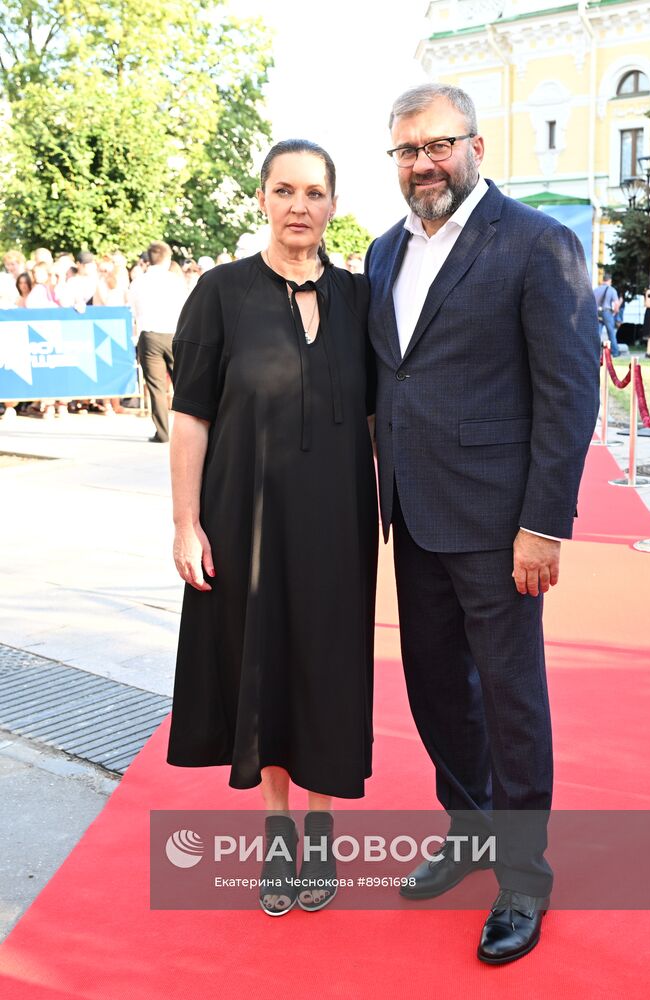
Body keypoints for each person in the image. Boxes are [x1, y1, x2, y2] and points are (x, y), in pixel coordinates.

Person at [367, 83, 599, 965]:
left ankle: (524, 877)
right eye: (407, 149)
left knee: (510, 700)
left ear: (475, 146)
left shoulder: (537, 242)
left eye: (438, 144)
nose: (423, 162)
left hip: (501, 524)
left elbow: (569, 391)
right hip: (412, 513)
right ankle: (466, 832)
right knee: (435, 690)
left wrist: (543, 522)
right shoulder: (384, 250)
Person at [165, 139, 378, 917]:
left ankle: (321, 828)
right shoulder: (219, 293)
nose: (299, 207)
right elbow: (190, 417)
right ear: (261, 199)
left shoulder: (360, 297)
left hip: (339, 524)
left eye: (314, 193)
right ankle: (278, 831)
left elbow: (380, 415)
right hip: (246, 520)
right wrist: (185, 524)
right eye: (284, 191)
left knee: (328, 668)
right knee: (266, 664)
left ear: (332, 206)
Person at [128, 241, 187, 442]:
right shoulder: (176, 281)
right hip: (175, 334)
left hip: (150, 335)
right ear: (168, 258)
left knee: (156, 387)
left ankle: (162, 432)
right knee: (183, 384)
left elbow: (133, 311)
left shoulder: (138, 282)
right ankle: (191, 429)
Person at [594, 272, 621, 357]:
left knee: (597, 333)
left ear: (603, 280)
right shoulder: (612, 290)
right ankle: (615, 352)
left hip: (597, 312)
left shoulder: (596, 290)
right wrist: (615, 312)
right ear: (610, 280)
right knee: (611, 333)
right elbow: (616, 304)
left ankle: (596, 352)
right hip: (607, 312)